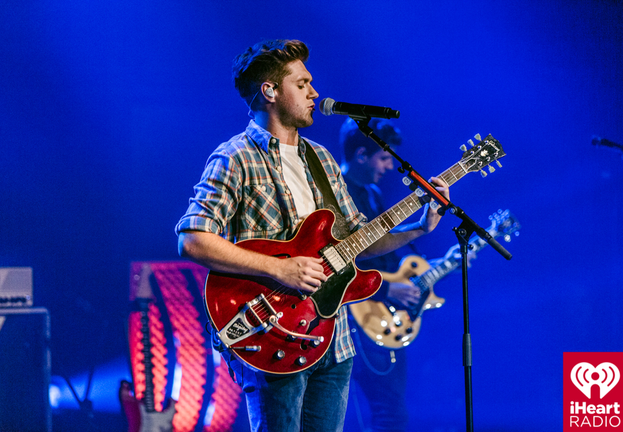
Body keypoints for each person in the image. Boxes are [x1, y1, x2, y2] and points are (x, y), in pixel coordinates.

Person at [174, 39, 450, 432]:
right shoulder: (234, 158)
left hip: (333, 338)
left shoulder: (320, 159)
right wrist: (279, 270)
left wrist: (420, 225)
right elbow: (192, 239)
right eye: (302, 84)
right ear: (269, 91)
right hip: (271, 333)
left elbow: (358, 239)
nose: (314, 93)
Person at [339, 118, 460, 432]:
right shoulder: (337, 194)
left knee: (392, 413)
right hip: (355, 318)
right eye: (384, 157)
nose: (390, 166)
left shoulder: (373, 193)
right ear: (361, 155)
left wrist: (439, 263)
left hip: (381, 318)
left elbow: (387, 258)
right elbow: (339, 261)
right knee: (386, 413)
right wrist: (386, 292)